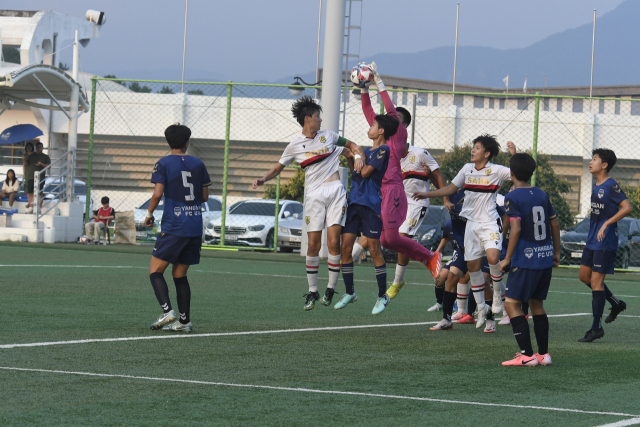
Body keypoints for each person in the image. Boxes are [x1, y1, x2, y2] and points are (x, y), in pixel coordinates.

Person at [252, 96, 367, 311]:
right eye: (317, 117)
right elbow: (277, 169)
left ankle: (331, 289)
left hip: (335, 191)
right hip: (313, 196)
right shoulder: (294, 145)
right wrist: (262, 179)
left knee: (333, 242)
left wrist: (358, 155)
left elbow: (352, 145)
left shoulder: (329, 136)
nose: (321, 120)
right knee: (313, 245)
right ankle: (312, 291)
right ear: (307, 119)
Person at [414, 135, 516, 330]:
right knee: (472, 267)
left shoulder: (496, 170)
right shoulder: (466, 170)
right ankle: (481, 309)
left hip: (489, 223)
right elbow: (450, 188)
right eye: (473, 147)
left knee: (494, 258)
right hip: (471, 225)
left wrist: (513, 154)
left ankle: (496, 298)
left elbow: (517, 171)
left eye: (477, 148)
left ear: (486, 153)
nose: (473, 150)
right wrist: (426, 194)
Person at [361, 62, 442, 286]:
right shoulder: (381, 136)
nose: (371, 124)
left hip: (394, 189)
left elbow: (389, 109)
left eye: (375, 123)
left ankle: (430, 257)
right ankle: (427, 257)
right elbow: (368, 110)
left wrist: (378, 81)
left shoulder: (397, 134)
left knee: (394, 237)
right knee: (386, 239)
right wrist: (363, 88)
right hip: (382, 191)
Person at [146, 124, 212, 333]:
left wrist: (149, 214)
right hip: (194, 226)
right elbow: (204, 197)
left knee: (155, 271)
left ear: (168, 142)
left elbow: (157, 194)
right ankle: (184, 322)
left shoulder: (163, 163)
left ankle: (167, 311)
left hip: (174, 226)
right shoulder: (198, 163)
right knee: (180, 274)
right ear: (187, 142)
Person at [499, 153, 560, 366]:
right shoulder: (541, 194)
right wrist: (556, 253)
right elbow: (554, 224)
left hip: (525, 260)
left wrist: (507, 258)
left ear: (511, 173)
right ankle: (543, 355)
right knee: (537, 305)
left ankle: (526, 355)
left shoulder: (513, 197)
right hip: (544, 259)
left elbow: (515, 228)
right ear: (531, 173)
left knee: (512, 304)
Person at [334, 113, 394, 314]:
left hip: (370, 204)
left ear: (381, 131)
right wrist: (352, 157)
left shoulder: (383, 150)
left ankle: (382, 296)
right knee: (345, 248)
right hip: (354, 203)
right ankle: (350, 292)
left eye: (373, 125)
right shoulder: (366, 150)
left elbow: (366, 172)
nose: (369, 128)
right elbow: (355, 171)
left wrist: (358, 157)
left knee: (375, 250)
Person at [577, 148, 631, 343]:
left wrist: (607, 223)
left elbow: (627, 207)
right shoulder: (596, 185)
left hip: (606, 241)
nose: (590, 162)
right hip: (593, 239)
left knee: (596, 283)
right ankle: (616, 303)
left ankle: (596, 328)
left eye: (594, 159)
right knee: (584, 277)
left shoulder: (611, 185)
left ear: (604, 165)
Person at [26, 142, 51, 212]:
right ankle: (31, 207)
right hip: (31, 176)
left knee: (39, 193)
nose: (39, 148)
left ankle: (39, 208)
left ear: (42, 148)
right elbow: (26, 164)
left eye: (40, 147)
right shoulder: (31, 156)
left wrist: (41, 164)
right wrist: (23, 158)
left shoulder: (45, 156)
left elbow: (49, 166)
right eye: (38, 147)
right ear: (36, 148)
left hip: (41, 178)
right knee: (30, 192)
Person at [22, 142, 34, 211]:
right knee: (28, 190)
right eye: (27, 147)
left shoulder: (35, 155)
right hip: (27, 173)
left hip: (33, 173)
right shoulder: (25, 155)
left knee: (33, 190)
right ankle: (29, 204)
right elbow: (24, 165)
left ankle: (32, 204)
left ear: (32, 147)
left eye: (30, 146)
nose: (28, 148)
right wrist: (23, 174)